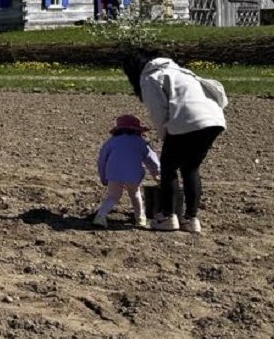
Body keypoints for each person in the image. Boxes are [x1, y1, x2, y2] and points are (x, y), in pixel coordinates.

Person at [123, 52, 227, 234]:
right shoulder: (181, 71)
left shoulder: (149, 77)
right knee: (190, 168)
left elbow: (158, 112)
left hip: (188, 121)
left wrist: (165, 137)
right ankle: (191, 219)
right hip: (214, 120)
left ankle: (168, 216)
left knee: (169, 167)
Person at [93, 114, 161, 228]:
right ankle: (140, 219)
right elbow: (151, 158)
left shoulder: (111, 142)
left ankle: (100, 216)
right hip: (133, 175)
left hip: (113, 174)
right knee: (135, 194)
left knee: (113, 196)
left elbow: (102, 160)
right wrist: (156, 173)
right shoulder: (140, 142)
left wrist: (103, 177)